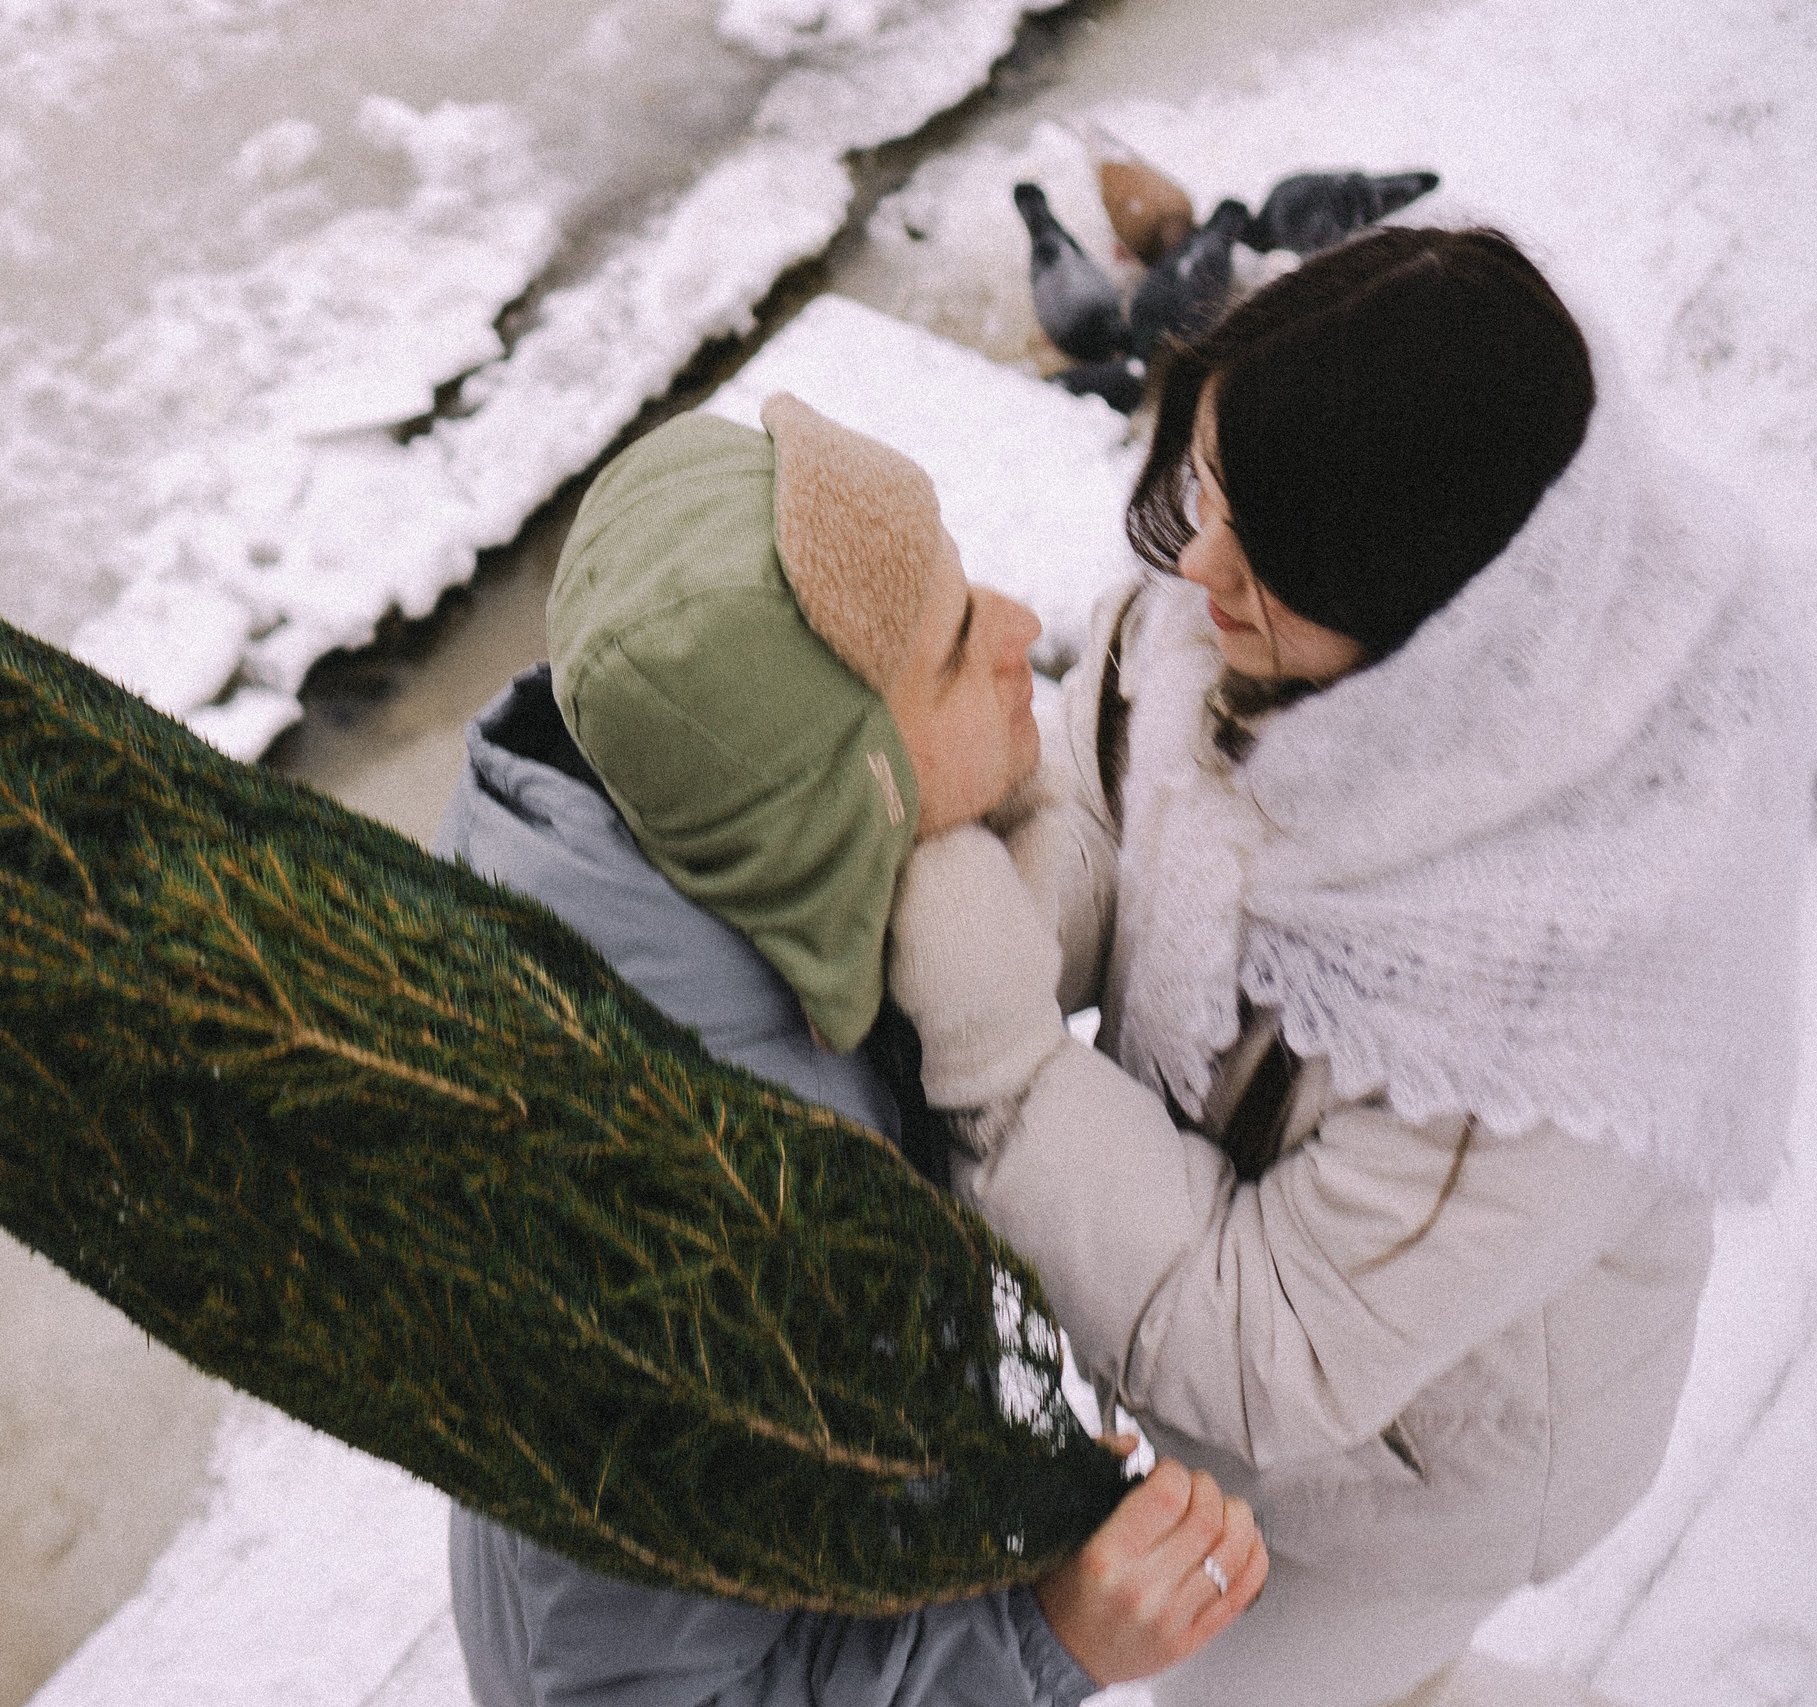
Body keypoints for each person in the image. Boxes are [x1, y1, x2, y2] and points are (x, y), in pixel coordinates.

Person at [884, 227, 1815, 1706]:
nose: (1198, 561)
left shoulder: (1541, 997)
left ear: (1434, 617)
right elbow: (1111, 803)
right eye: (1210, 489)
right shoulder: (1242, 624)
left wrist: (998, 1066)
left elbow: (1276, 1343)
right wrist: (996, 912)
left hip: (1422, 1480)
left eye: (1267, 549)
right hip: (1249, 1353)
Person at [437, 395, 1267, 1707]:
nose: (1021, 628)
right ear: (829, 806)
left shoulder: (669, 832)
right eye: (953, 653)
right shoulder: (687, 1250)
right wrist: (1035, 1641)